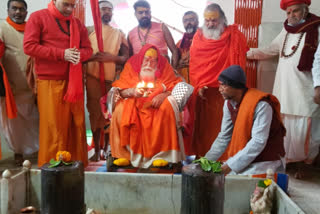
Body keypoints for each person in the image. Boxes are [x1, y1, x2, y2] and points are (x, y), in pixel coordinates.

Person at [247, 0, 320, 171]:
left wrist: (318, 86)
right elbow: (270, 49)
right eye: (288, 12)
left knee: (306, 132)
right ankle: (290, 163)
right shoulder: (286, 30)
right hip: (284, 89)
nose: (291, 16)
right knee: (285, 129)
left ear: (305, 10)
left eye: (295, 11)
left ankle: (306, 164)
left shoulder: (316, 29)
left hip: (305, 90)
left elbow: (319, 60)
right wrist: (246, 53)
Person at [23, 0, 93, 167]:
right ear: (54, 1)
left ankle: (76, 166)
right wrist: (62, 54)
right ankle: (52, 169)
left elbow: (88, 50)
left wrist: (78, 55)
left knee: (76, 126)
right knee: (54, 128)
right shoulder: (38, 17)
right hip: (49, 82)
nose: (69, 9)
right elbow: (29, 47)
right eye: (65, 4)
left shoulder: (77, 24)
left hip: (74, 83)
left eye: (72, 6)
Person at [186, 3, 248, 157]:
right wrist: (199, 83)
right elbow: (195, 64)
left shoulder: (234, 36)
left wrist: (231, 86)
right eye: (207, 20)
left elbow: (238, 66)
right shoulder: (198, 37)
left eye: (214, 20)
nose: (210, 24)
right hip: (205, 93)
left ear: (222, 19)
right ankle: (204, 157)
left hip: (227, 91)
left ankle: (228, 157)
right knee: (205, 129)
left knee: (226, 125)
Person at [108, 44, 184, 168]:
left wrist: (163, 94)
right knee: (120, 110)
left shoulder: (164, 66)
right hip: (134, 101)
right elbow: (119, 89)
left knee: (167, 108)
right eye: (146, 60)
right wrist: (131, 92)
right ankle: (124, 155)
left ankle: (163, 156)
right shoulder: (131, 65)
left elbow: (174, 85)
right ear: (141, 59)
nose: (149, 64)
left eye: (153, 61)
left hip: (156, 103)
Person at [205, 65, 286, 175]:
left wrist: (230, 166)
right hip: (247, 157)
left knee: (231, 182)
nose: (219, 89)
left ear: (236, 87)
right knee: (218, 177)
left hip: (266, 159)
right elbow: (224, 136)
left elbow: (258, 141)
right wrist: (206, 161)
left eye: (223, 85)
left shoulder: (261, 105)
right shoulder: (229, 103)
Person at [86, 0, 129, 161]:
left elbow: (126, 57)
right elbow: (80, 54)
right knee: (95, 114)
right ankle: (96, 150)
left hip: (111, 80)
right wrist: (94, 57)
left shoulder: (119, 33)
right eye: (103, 9)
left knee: (110, 114)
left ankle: (107, 149)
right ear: (97, 12)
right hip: (92, 78)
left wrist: (113, 58)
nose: (107, 12)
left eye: (109, 10)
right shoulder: (88, 31)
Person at [0, 0, 39, 165]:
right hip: (12, 87)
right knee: (14, 125)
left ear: (26, 12)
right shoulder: (2, 28)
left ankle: (37, 152)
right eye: (14, 8)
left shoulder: (33, 27)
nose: (18, 12)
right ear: (7, 10)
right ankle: (18, 153)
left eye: (22, 9)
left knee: (35, 121)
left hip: (33, 86)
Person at [128, 0, 179, 68]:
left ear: (150, 13)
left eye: (147, 12)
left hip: (162, 72)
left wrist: (173, 69)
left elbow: (174, 51)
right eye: (140, 12)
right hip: (140, 74)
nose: (144, 15)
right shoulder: (131, 34)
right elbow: (130, 57)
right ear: (135, 14)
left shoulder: (161, 27)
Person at [176, 11, 199, 83]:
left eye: (192, 20)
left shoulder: (205, 40)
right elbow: (174, 66)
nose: (188, 23)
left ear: (198, 22)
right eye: (185, 21)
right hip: (184, 84)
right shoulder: (179, 44)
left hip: (200, 83)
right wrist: (178, 64)